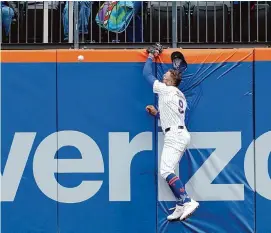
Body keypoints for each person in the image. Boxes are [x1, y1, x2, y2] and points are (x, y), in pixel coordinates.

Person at [143, 46, 199, 221]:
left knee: (166, 170)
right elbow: (171, 117)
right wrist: (157, 114)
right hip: (178, 133)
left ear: (171, 80)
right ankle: (181, 205)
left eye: (167, 74)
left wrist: (151, 56)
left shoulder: (166, 89)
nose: (164, 75)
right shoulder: (178, 94)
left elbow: (146, 74)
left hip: (175, 136)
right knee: (167, 170)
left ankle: (187, 201)